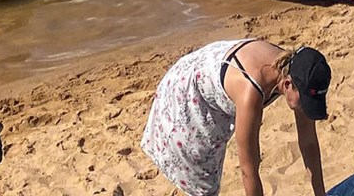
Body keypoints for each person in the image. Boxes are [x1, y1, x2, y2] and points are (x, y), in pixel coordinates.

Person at [141, 38, 329, 196]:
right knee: (204, 186)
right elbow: (249, 171)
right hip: (185, 94)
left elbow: (309, 142)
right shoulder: (250, 91)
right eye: (305, 101)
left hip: (215, 86)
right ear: (287, 84)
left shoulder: (298, 71)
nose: (306, 107)